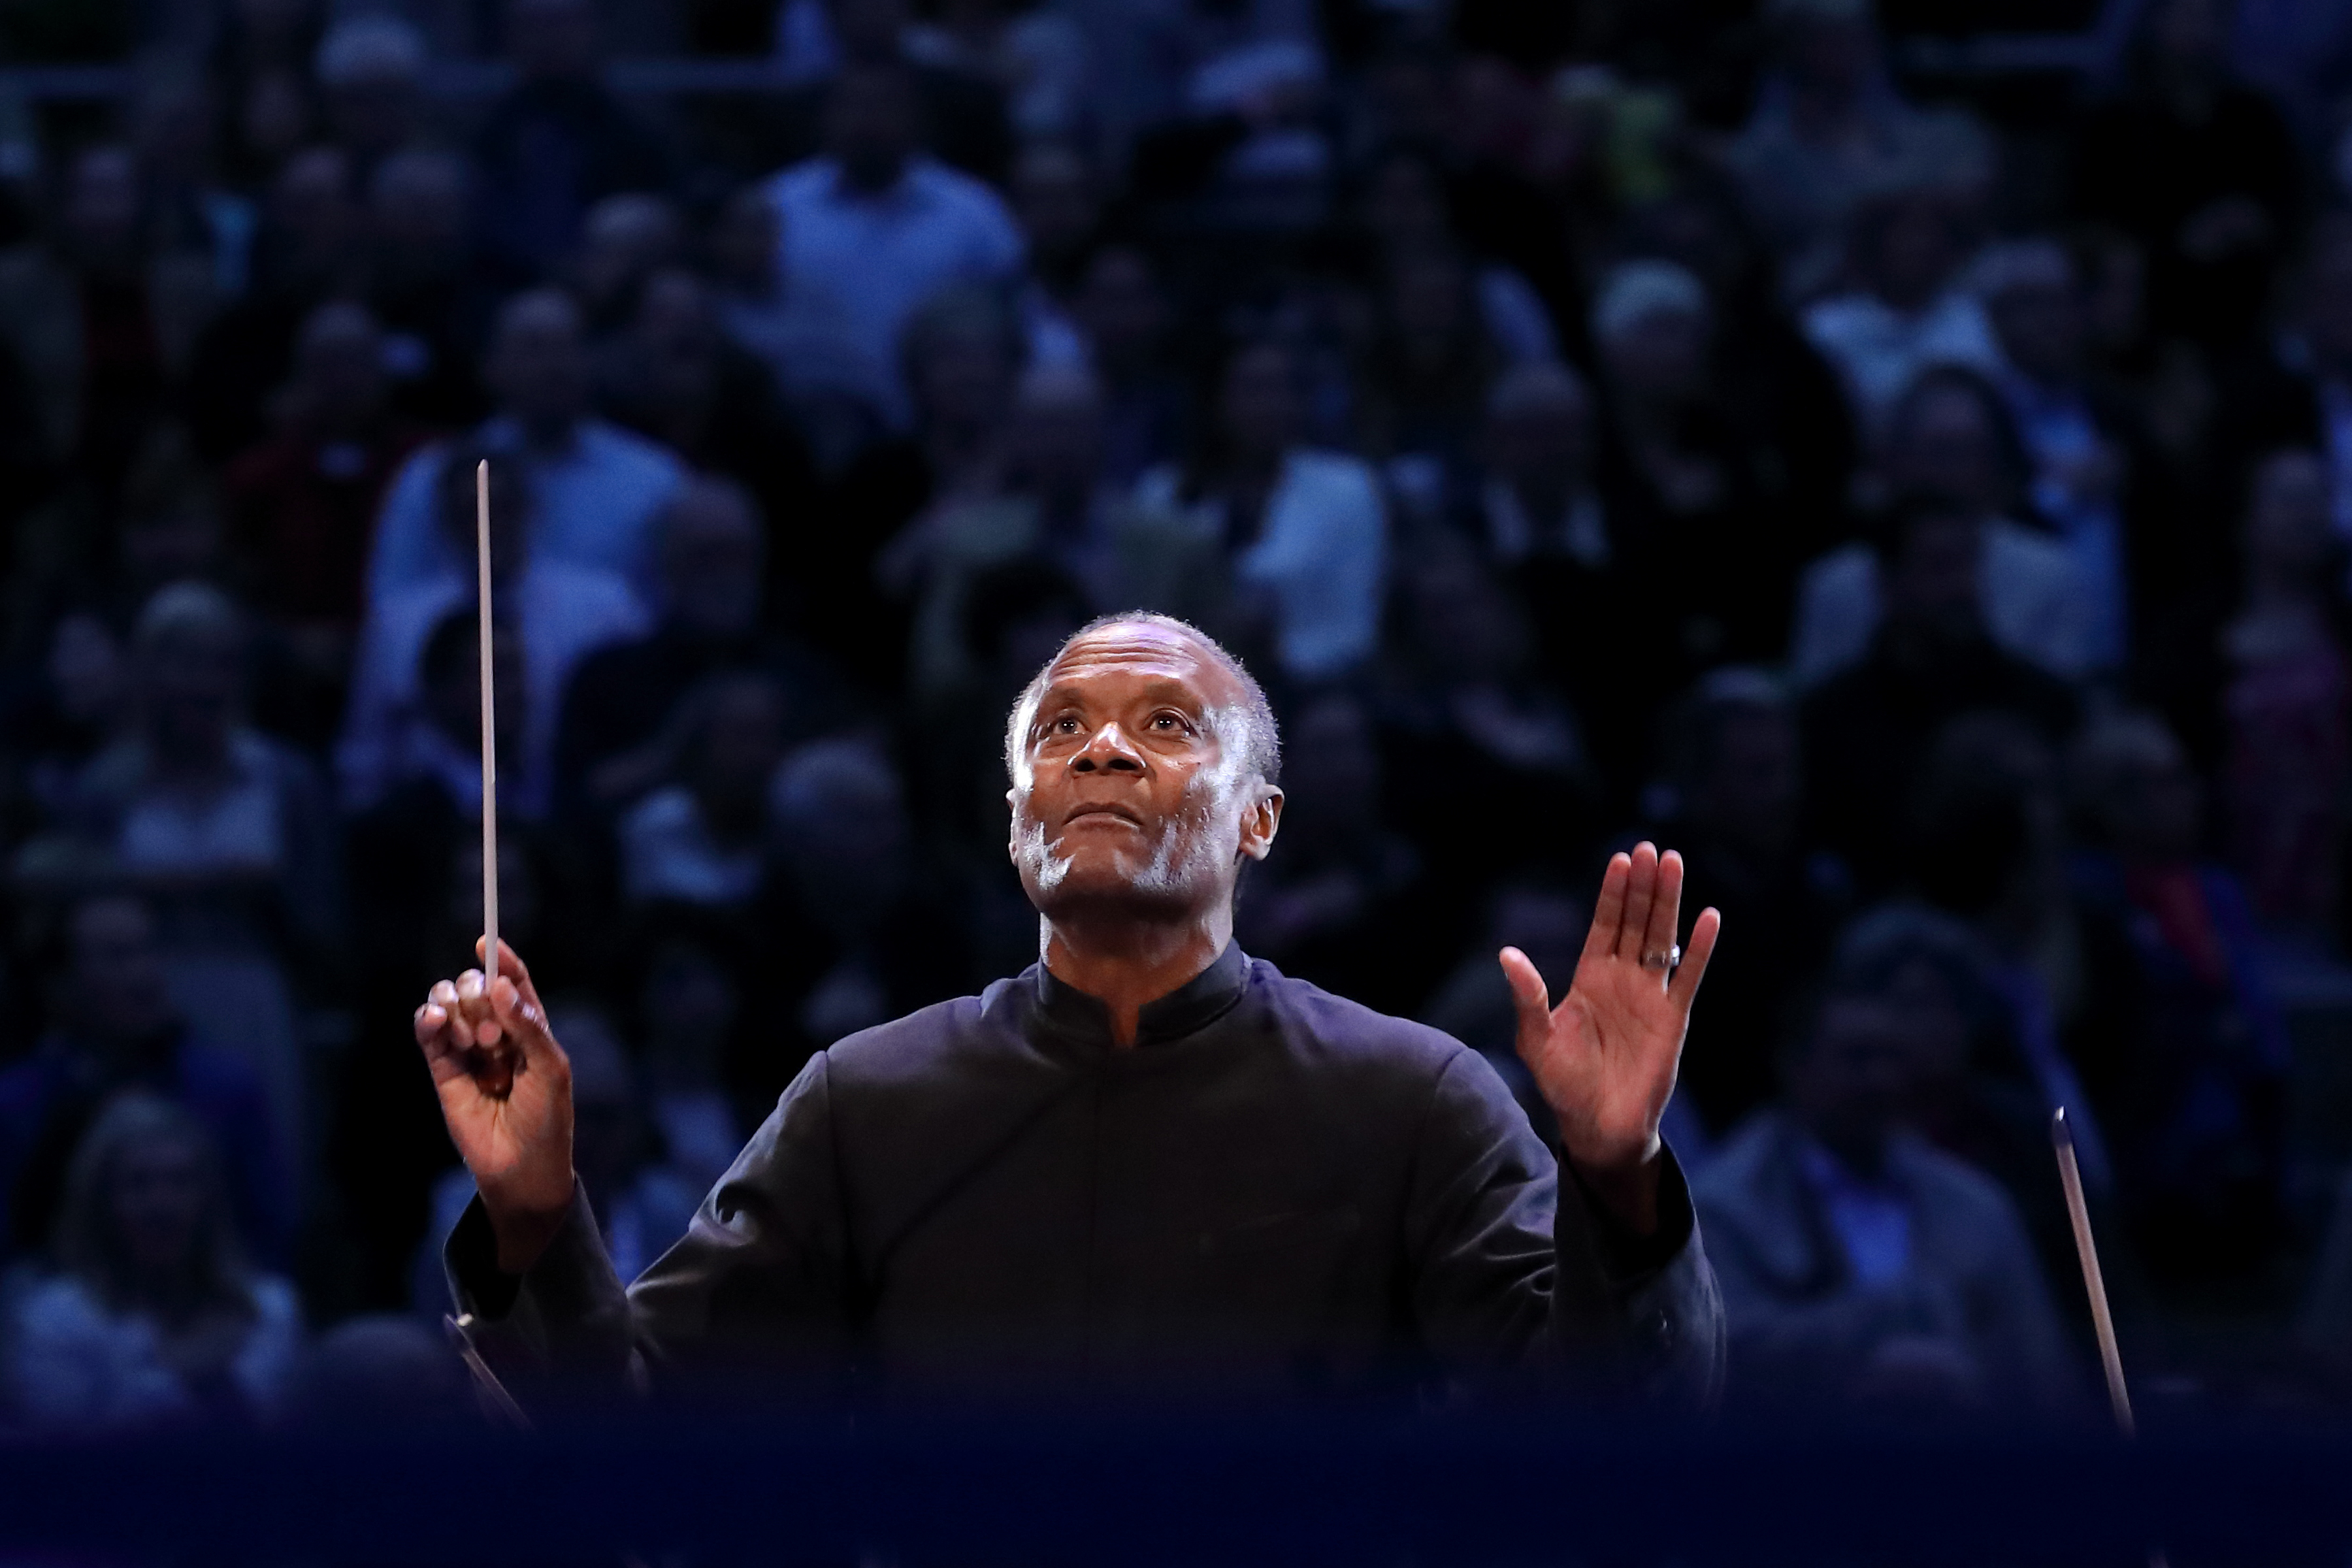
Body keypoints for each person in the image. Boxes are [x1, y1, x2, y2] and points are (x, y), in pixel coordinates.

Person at [414, 615, 1725, 1404]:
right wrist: (536, 1227)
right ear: (1016, 822)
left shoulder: (1415, 1098)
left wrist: (1620, 1182)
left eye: (1167, 723)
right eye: (1060, 733)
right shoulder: (867, 1102)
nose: (1099, 751)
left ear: (1260, 820)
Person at [1691, 957, 2078, 1418]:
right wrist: (1881, 1325)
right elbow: (1712, 1357)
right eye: (1857, 1058)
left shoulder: (1977, 1208)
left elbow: (2046, 1380)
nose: (1880, 1080)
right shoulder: (1723, 1206)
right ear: (1794, 1067)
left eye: (1893, 1059)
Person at [0, 894, 290, 1271]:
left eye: (149, 950)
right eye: (117, 957)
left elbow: (269, 1230)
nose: (143, 975)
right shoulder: (16, 1103)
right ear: (61, 982)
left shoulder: (227, 1087)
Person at [363, 289, 685, 611]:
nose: (555, 367)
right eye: (534, 349)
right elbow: (395, 603)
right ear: (492, 365)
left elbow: (671, 605)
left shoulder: (653, 480)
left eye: (568, 347)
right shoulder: (432, 476)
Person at [5, 1094, 302, 1433]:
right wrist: (188, 1378)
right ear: (100, 1204)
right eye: (139, 1184)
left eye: (181, 1182)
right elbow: (56, 1458)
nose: (163, 1206)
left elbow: (283, 1440)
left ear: (210, 1198)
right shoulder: (57, 1318)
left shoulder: (272, 1309)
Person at [765, 60, 1025, 433]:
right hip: (810, 427)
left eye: (886, 106)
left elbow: (1012, 319)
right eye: (855, 105)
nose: (869, 121)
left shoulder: (975, 214)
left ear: (916, 119)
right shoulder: (777, 208)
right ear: (827, 116)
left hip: (950, 425)